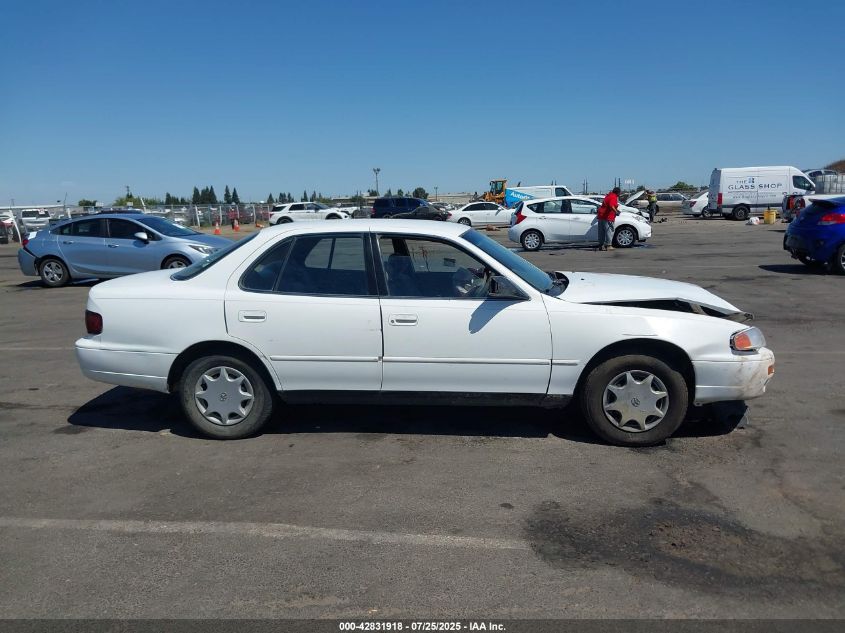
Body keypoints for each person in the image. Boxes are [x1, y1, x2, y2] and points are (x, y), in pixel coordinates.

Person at [597, 187, 620, 251]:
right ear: (618, 192)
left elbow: (607, 205)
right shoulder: (613, 197)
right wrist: (616, 212)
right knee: (609, 231)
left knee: (601, 232)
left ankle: (601, 245)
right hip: (608, 217)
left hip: (601, 216)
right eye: (619, 193)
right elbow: (611, 205)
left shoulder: (608, 196)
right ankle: (608, 245)